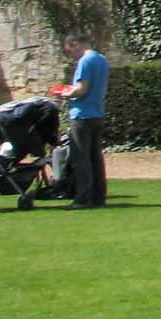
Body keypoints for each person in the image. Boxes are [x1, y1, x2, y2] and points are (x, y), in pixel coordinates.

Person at [55, 34, 109, 209]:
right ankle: (99, 196)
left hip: (82, 115)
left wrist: (65, 93)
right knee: (95, 157)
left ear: (75, 44)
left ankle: (83, 198)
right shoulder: (101, 60)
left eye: (70, 51)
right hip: (97, 112)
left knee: (81, 158)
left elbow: (81, 89)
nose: (71, 55)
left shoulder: (85, 61)